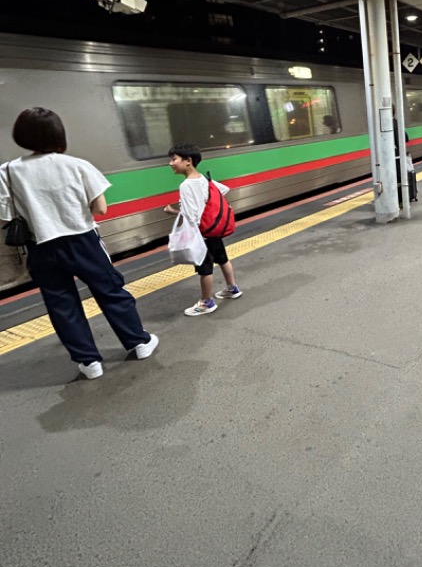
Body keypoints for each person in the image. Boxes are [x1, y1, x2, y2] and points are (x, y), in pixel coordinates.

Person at [0, 107, 158, 380]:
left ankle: (89, 363)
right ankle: (139, 343)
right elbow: (100, 209)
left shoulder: (8, 172)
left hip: (42, 246)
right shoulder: (77, 165)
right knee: (110, 292)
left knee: (62, 304)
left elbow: (3, 219)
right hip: (83, 242)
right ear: (58, 134)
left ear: (20, 135)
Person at [165, 143, 241, 316]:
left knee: (205, 268)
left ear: (188, 161)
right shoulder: (205, 180)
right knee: (222, 258)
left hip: (202, 233)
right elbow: (224, 190)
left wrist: (172, 212)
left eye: (174, 159)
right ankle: (232, 288)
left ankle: (207, 302)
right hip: (214, 229)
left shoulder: (186, 186)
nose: (171, 163)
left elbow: (192, 216)